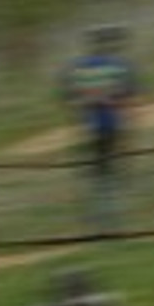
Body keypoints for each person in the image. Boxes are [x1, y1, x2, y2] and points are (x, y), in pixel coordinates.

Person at [61, 24, 139, 232]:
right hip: (113, 125)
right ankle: (111, 222)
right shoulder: (121, 66)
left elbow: (72, 101)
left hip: (90, 127)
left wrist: (77, 128)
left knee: (95, 174)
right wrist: (129, 131)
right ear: (110, 43)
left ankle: (96, 220)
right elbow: (128, 101)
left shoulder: (77, 67)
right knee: (110, 173)